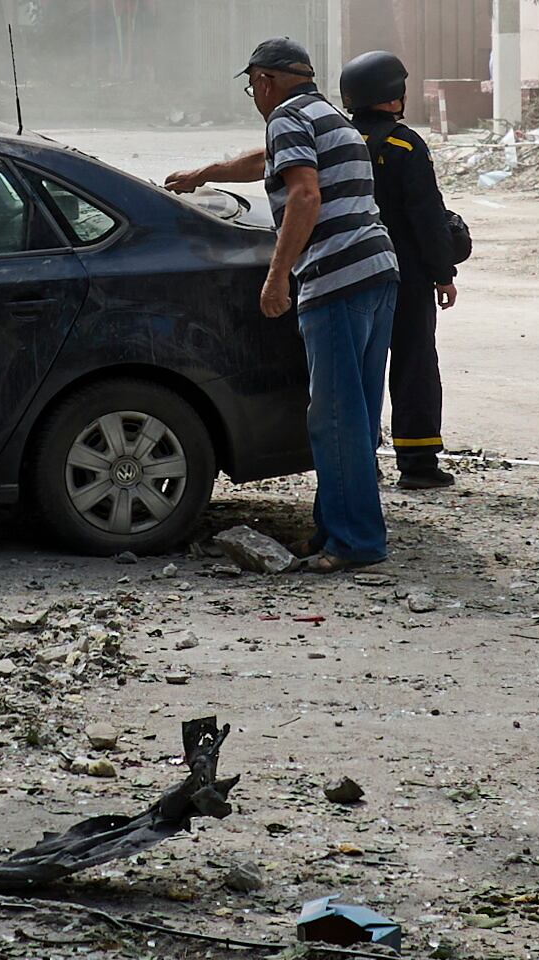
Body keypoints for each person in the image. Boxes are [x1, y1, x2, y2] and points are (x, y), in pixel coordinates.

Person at [167, 37, 398, 571]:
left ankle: (354, 541)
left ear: (266, 81)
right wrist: (205, 173)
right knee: (355, 414)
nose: (254, 97)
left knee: (335, 417)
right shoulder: (326, 116)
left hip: (336, 278)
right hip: (377, 272)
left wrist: (277, 277)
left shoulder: (286, 118)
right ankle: (337, 530)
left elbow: (304, 194)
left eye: (252, 86)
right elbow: (268, 162)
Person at [339, 50, 462, 491]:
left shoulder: (339, 141)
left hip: (351, 271)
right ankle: (418, 464)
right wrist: (443, 271)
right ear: (392, 95)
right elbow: (427, 217)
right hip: (406, 274)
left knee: (356, 372)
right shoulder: (405, 145)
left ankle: (358, 463)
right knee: (413, 365)